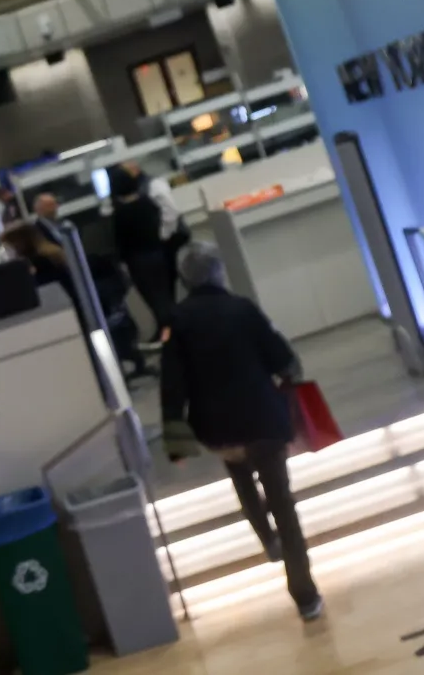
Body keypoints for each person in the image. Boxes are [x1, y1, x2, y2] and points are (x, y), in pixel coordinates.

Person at [160, 242, 323, 621]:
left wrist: (176, 445)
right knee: (282, 501)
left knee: (241, 478)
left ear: (186, 279)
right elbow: (281, 359)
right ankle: (305, 595)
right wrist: (288, 372)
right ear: (219, 272)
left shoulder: (178, 321)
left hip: (217, 428)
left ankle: (268, 539)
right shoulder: (242, 308)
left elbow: (172, 385)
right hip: (262, 420)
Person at [30, 193, 148, 378]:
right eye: (50, 206)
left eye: (55, 204)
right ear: (39, 209)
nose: (55, 208)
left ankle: (126, 360)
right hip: (71, 289)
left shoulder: (60, 226)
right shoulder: (39, 234)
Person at [108, 165, 176, 344]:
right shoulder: (147, 203)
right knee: (164, 295)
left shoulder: (121, 213)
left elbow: (120, 242)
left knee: (153, 298)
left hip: (138, 260)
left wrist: (120, 261)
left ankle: (168, 333)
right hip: (156, 254)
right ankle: (171, 330)